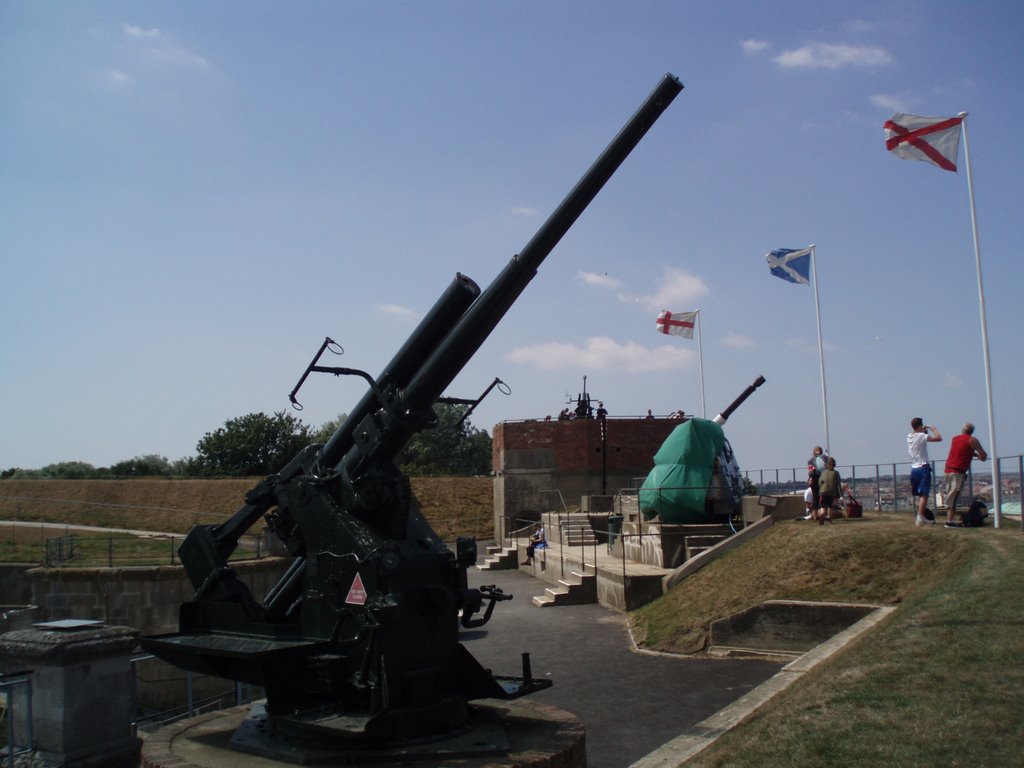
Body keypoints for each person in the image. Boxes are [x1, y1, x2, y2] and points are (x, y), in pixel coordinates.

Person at [943, 422, 987, 528]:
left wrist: (972, 454)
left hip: (948, 469)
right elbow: (984, 455)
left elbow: (961, 451)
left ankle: (950, 520)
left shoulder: (955, 439)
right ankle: (949, 521)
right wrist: (980, 456)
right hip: (958, 472)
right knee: (954, 497)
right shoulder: (972, 440)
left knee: (950, 496)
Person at [907, 417, 942, 526]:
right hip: (923, 467)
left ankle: (921, 515)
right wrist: (933, 429)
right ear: (920, 426)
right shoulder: (922, 436)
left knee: (919, 493)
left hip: (914, 467)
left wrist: (923, 431)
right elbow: (938, 438)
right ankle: (920, 517)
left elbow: (920, 441)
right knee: (924, 494)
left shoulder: (909, 436)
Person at [816, 456, 842, 524]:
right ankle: (829, 518)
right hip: (831, 493)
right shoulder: (836, 473)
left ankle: (822, 514)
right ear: (834, 465)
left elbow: (819, 482)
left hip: (823, 492)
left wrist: (821, 488)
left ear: (827, 465)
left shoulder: (823, 473)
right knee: (830, 506)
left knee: (823, 506)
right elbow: (838, 484)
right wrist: (840, 495)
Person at [806, 446, 827, 518]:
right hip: (823, 479)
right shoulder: (825, 458)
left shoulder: (810, 460)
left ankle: (815, 516)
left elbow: (811, 471)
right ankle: (822, 513)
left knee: (815, 497)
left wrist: (811, 478)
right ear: (821, 451)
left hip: (814, 479)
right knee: (823, 496)